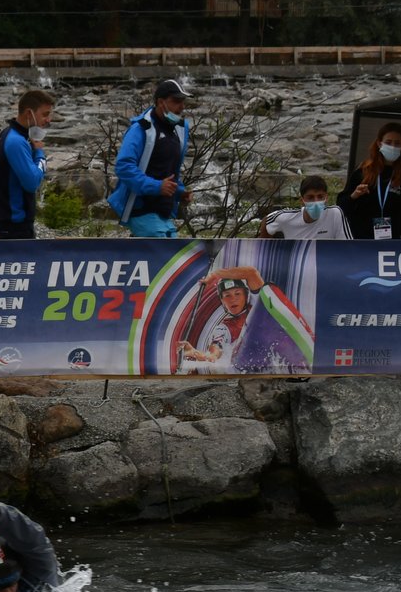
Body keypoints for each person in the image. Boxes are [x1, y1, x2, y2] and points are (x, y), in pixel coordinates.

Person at [176, 265, 312, 375]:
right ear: (222, 302)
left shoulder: (258, 307)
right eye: (227, 296)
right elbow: (214, 356)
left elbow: (251, 273)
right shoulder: (223, 328)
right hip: (245, 364)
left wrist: (216, 274)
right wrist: (195, 353)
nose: (233, 299)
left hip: (273, 353)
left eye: (237, 294)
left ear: (246, 295)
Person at [108, 79, 191, 238]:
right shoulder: (140, 129)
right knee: (166, 257)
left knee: (172, 256)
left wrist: (180, 192)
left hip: (164, 213)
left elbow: (167, 171)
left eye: (182, 102)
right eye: (176, 101)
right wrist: (157, 186)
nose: (181, 107)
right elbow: (123, 166)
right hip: (142, 210)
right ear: (161, 102)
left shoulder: (178, 131)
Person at [0, 89, 55, 240]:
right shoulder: (17, 142)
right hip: (16, 227)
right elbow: (32, 183)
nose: (48, 120)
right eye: (45, 114)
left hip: (5, 225)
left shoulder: (3, 136)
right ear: (29, 113)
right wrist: (40, 154)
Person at [262, 175, 353, 240]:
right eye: (310, 197)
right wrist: (267, 247)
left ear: (326, 198)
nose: (316, 201)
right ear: (302, 201)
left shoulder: (335, 214)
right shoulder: (286, 217)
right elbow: (266, 221)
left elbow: (347, 246)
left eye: (320, 197)